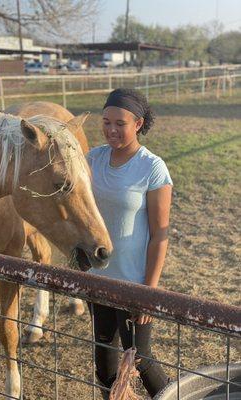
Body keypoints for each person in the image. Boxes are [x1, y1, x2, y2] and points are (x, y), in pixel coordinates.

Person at [87, 88, 173, 399]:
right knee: (104, 363)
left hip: (132, 284)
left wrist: (147, 291)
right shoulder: (93, 158)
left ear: (137, 123)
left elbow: (159, 235)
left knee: (140, 357)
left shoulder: (152, 167)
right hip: (96, 279)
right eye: (106, 122)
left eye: (119, 123)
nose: (111, 130)